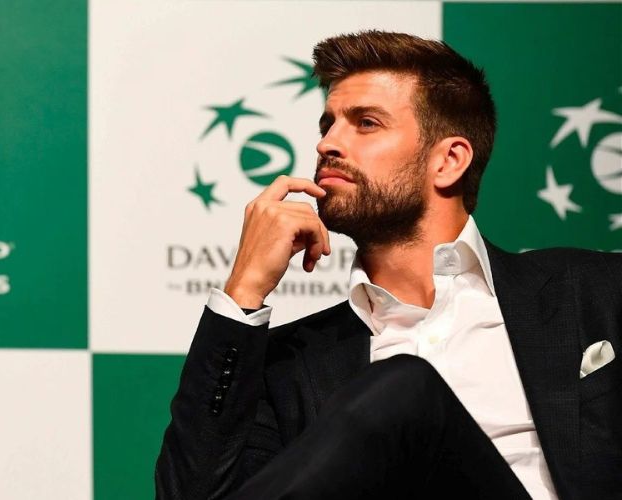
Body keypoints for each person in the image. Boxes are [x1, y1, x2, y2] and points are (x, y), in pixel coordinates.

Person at [155, 31, 622, 500]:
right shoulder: (288, 367)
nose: (327, 144)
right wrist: (243, 289)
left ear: (449, 161)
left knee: (405, 386)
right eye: (327, 125)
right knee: (401, 387)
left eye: (366, 123)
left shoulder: (594, 289)